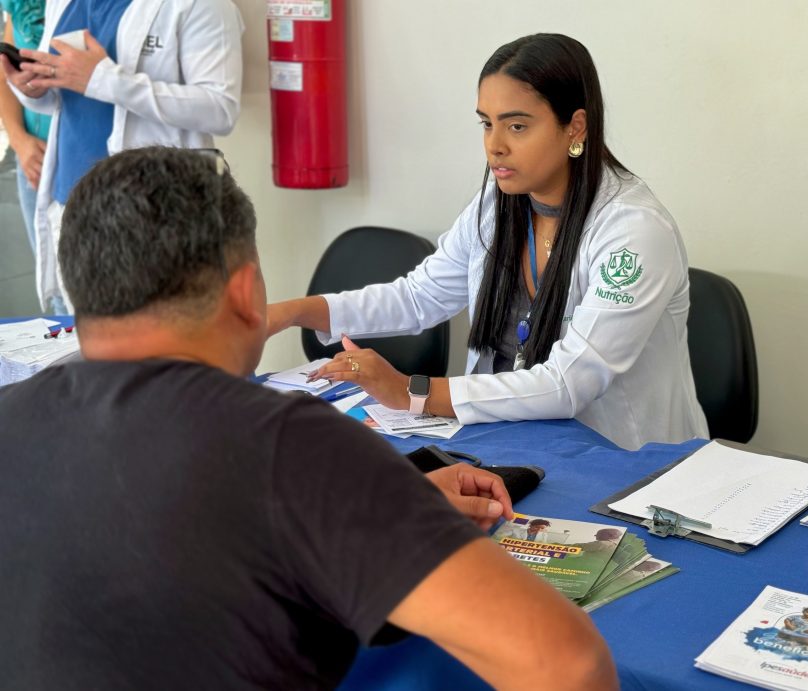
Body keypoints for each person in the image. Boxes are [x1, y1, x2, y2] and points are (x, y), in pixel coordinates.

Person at [0, 147, 616, 690]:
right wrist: (361, 497)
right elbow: (568, 665)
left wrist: (389, 510)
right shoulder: (289, 449)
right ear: (245, 294)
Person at [266, 33, 708, 451]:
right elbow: (419, 297)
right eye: (486, 124)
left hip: (626, 463)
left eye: (516, 126)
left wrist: (410, 391)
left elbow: (568, 383)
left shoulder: (634, 230)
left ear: (575, 128)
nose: (494, 146)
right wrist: (291, 312)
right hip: (512, 444)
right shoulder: (498, 204)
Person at [0, 0, 244, 314]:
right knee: (84, 334)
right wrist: (33, 89)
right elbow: (65, 98)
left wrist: (102, 79)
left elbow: (220, 109)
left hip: (155, 212)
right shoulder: (62, 2)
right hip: (71, 205)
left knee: (163, 333)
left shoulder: (201, 5)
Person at [0, 0, 52, 310]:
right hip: (33, 160)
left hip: (89, 160)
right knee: (53, 291)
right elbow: (5, 71)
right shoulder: (17, 4)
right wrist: (20, 141)